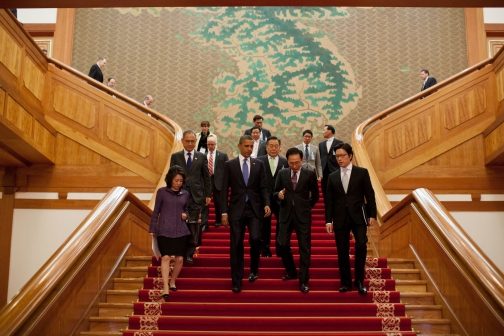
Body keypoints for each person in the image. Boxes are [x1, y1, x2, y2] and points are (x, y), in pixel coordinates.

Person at [325, 143, 377, 295]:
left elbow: (370, 194)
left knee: (361, 245)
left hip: (358, 216)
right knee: (342, 250)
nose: (339, 159)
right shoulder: (332, 177)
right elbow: (329, 201)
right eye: (337, 156)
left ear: (350, 156)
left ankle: (359, 281)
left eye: (342, 156)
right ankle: (345, 282)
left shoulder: (362, 172)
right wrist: (329, 220)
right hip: (340, 217)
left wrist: (372, 215)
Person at [221, 135, 271, 293]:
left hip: (255, 209)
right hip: (236, 211)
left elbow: (263, 186)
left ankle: (254, 269)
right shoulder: (230, 165)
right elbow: (223, 190)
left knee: (256, 239)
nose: (249, 149)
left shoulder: (259, 164)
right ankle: (236, 280)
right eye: (246, 146)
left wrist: (267, 203)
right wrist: (223, 212)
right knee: (236, 245)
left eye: (251, 146)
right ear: (239, 146)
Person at [274, 148, 319, 293]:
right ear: (287, 161)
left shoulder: (309, 174)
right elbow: (275, 192)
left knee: (304, 248)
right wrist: (279, 195)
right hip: (286, 214)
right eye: (291, 163)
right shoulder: (282, 173)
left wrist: (306, 207)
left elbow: (316, 196)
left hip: (303, 215)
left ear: (302, 161)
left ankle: (304, 279)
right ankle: (291, 270)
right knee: (282, 244)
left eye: (297, 163)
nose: (294, 166)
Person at [170, 130, 212, 263]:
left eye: (192, 141)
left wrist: (207, 194)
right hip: (179, 195)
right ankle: (180, 251)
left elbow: (206, 177)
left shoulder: (201, 156)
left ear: (196, 142)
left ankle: (189, 253)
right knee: (180, 224)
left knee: (192, 225)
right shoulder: (176, 156)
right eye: (187, 141)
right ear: (182, 141)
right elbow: (171, 177)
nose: (190, 143)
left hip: (195, 196)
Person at [149, 165, 190, 299]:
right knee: (165, 257)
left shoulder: (185, 194)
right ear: (170, 180)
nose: (178, 183)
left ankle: (172, 281)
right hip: (164, 229)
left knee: (179, 259)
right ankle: (165, 286)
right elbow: (156, 211)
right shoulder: (162, 192)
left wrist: (186, 215)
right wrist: (152, 228)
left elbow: (187, 209)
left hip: (181, 230)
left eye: (181, 181)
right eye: (176, 180)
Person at [257, 137, 288, 257]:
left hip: (280, 199)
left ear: (280, 148)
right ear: (266, 147)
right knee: (265, 226)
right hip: (264, 199)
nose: (273, 148)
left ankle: (280, 250)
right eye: (271, 146)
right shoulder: (259, 161)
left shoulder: (285, 162)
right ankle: (265, 250)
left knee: (281, 225)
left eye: (276, 146)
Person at [202, 135, 228, 228]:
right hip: (206, 181)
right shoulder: (202, 155)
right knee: (205, 202)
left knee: (218, 202)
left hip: (218, 181)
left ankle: (218, 220)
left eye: (212, 144)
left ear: (216, 144)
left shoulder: (222, 155)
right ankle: (204, 223)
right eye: (209, 144)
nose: (210, 146)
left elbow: (226, 169)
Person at [319, 125, 343, 198]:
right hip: (324, 170)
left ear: (329, 131)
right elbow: (320, 158)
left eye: (324, 130)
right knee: (325, 190)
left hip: (335, 169)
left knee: (336, 189)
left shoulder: (339, 143)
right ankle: (327, 208)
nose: (322, 132)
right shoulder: (321, 144)